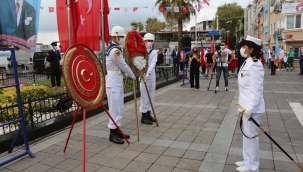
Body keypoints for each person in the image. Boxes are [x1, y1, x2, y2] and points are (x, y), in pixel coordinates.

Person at [235, 35, 265, 172]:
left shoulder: (255, 64)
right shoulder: (247, 61)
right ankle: (247, 160)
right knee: (246, 135)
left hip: (251, 108)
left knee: (251, 137)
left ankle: (253, 166)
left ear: (251, 49)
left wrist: (250, 109)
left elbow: (257, 90)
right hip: (245, 106)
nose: (242, 49)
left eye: (244, 47)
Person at [106, 26, 136, 144]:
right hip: (113, 81)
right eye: (122, 37)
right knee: (114, 108)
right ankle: (112, 133)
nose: (123, 39)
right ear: (116, 37)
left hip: (117, 80)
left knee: (119, 107)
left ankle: (117, 130)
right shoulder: (115, 51)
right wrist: (133, 75)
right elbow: (123, 65)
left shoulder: (116, 49)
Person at [140, 33, 157, 125]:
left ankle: (148, 113)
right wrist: (143, 74)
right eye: (148, 41)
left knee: (151, 96)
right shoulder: (141, 52)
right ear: (144, 41)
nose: (149, 42)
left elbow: (153, 63)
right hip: (143, 76)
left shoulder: (154, 52)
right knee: (144, 97)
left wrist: (148, 73)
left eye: (151, 41)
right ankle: (143, 116)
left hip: (151, 76)